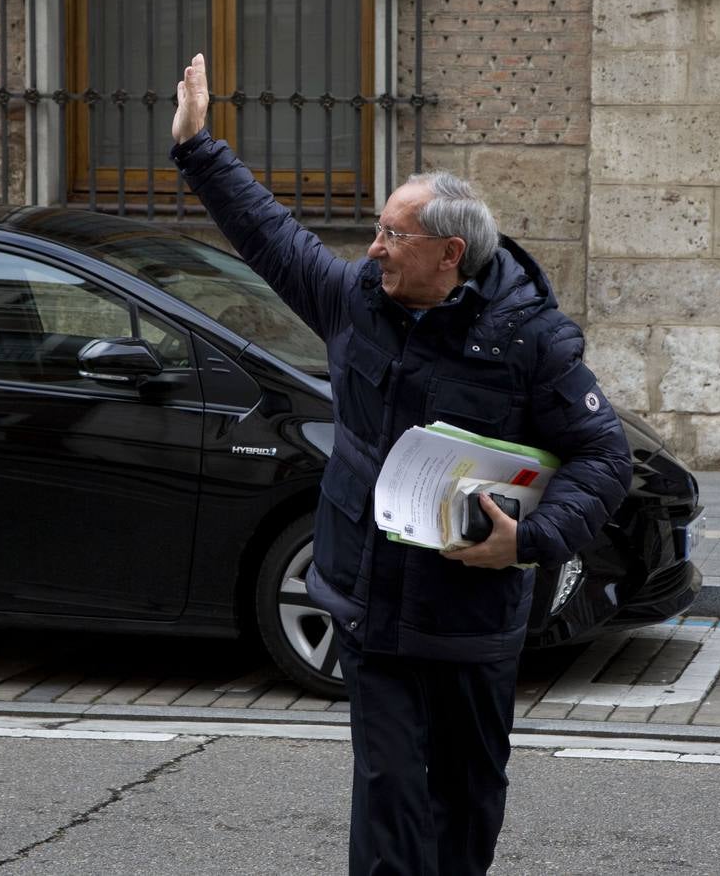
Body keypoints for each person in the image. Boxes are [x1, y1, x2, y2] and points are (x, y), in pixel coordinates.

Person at [170, 52, 632, 875]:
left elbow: (604, 455)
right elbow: (272, 238)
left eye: (394, 234)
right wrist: (200, 146)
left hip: (471, 616)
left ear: (450, 253)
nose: (375, 247)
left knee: (466, 796)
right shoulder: (357, 302)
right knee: (388, 790)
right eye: (379, 229)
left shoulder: (530, 341)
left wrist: (527, 541)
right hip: (370, 604)